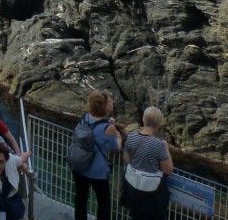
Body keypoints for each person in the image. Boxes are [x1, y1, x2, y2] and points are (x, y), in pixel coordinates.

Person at [72, 90, 122, 220]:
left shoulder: (85, 117)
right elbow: (115, 149)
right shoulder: (108, 128)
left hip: (79, 165)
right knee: (104, 202)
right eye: (110, 101)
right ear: (104, 106)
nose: (112, 102)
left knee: (81, 199)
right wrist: (119, 136)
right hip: (97, 171)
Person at [121, 107, 173, 220]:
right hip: (151, 193)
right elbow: (167, 169)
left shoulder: (131, 136)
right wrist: (166, 148)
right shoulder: (159, 144)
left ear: (143, 119)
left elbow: (126, 159)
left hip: (133, 188)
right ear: (159, 123)